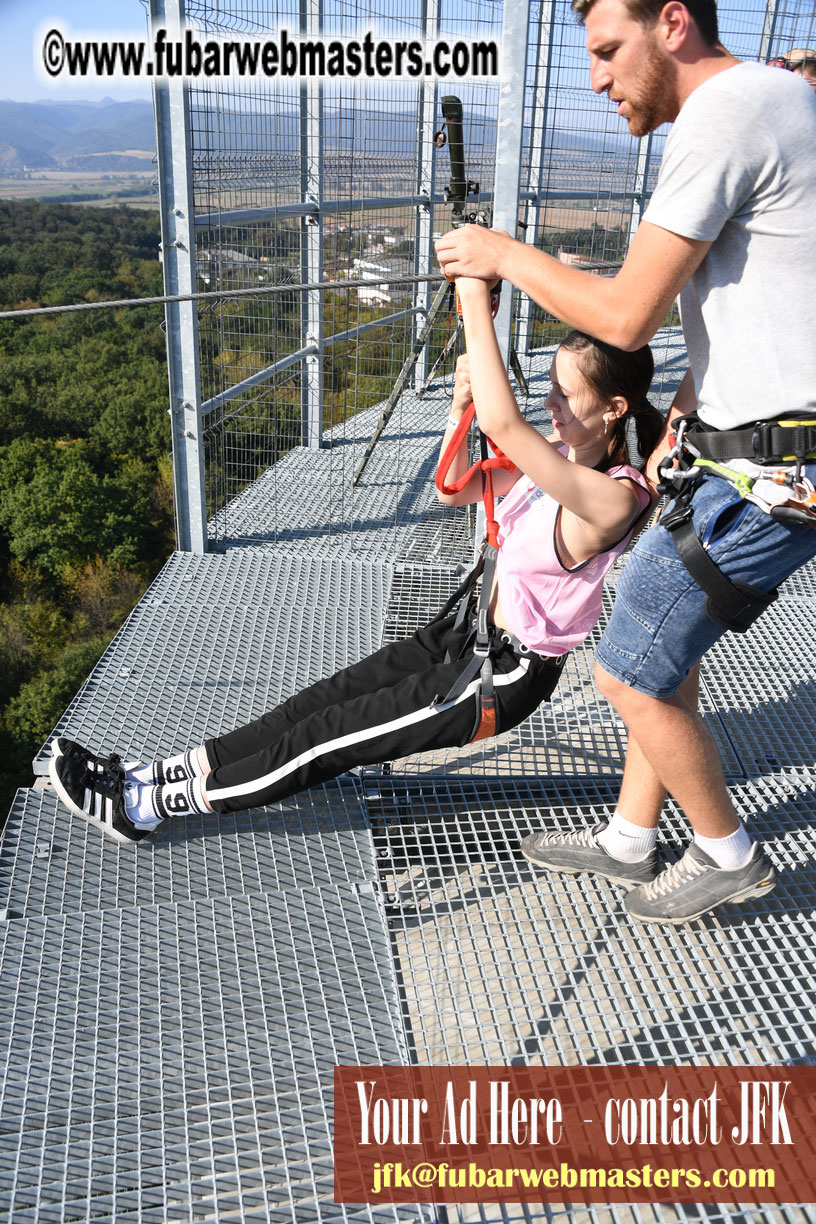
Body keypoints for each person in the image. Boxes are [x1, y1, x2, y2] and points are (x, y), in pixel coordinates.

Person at [436, 0, 816, 924]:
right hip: (751, 454)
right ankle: (631, 838)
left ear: (674, 22)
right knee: (660, 645)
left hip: (770, 479)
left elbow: (624, 318)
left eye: (608, 50)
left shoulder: (727, 112)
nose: (598, 76)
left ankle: (728, 852)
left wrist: (496, 254)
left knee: (626, 669)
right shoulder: (772, 100)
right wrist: (690, 409)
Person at [48, 288, 660, 846]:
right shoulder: (555, 454)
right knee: (312, 706)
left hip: (499, 676)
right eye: (549, 388)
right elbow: (455, 489)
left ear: (613, 409)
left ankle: (146, 807)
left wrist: (476, 297)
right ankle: (158, 771)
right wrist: (458, 407)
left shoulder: (613, 497)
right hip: (461, 634)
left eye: (565, 394)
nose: (549, 404)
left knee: (325, 740)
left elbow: (505, 425)